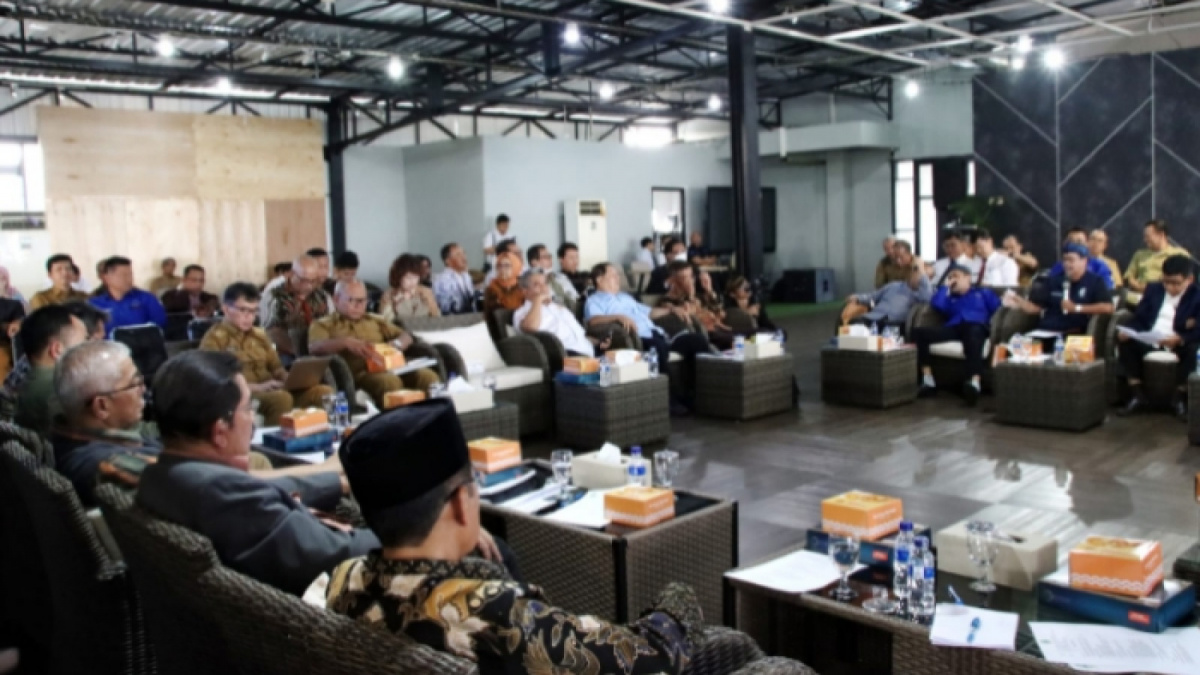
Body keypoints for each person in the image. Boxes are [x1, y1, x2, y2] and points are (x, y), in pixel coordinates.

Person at [327, 399, 700, 674]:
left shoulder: (342, 581)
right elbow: (653, 658)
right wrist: (678, 599)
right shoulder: (496, 613)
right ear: (460, 503)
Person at [134, 350, 379, 596]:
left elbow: (257, 492)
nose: (252, 417)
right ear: (220, 431)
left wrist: (337, 482)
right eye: (248, 407)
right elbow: (334, 552)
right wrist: (409, 533)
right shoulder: (221, 492)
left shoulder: (160, 474)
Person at [200, 283, 334, 426]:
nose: (249, 317)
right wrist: (258, 387)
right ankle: (277, 443)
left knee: (323, 391)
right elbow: (216, 381)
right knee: (281, 399)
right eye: (243, 310)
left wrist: (290, 380)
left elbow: (276, 367)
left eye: (253, 311)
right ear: (226, 309)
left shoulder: (260, 335)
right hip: (243, 395)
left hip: (272, 388)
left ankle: (318, 437)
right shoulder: (215, 338)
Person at [585, 263, 710, 410]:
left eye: (618, 275)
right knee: (658, 348)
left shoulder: (625, 297)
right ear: (599, 279)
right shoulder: (594, 300)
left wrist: (671, 309)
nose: (618, 278)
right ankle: (668, 399)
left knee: (697, 341)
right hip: (637, 339)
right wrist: (616, 317)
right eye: (613, 275)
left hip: (658, 334)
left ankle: (697, 394)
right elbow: (592, 321)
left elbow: (650, 312)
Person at [309, 280, 439, 408]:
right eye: (352, 300)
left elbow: (407, 335)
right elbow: (314, 346)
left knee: (427, 376)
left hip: (392, 367)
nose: (358, 305)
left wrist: (397, 344)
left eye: (363, 300)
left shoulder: (375, 320)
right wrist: (345, 342)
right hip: (361, 373)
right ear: (336, 299)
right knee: (389, 382)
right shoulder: (324, 324)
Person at [1115, 255, 1200, 419]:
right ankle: (1137, 394)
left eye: (1175, 283)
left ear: (1189, 279)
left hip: (1177, 342)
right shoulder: (1154, 289)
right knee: (1126, 343)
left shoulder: (1196, 296)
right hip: (1151, 337)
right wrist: (1129, 330)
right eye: (1166, 281)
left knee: (1192, 349)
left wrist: (1180, 338)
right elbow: (1139, 318)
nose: (1169, 287)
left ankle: (1179, 398)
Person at [914, 265, 1000, 405]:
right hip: (954, 328)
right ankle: (928, 380)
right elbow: (936, 304)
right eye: (950, 277)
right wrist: (945, 286)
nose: (953, 280)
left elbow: (998, 308)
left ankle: (974, 383)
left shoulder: (982, 292)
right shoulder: (950, 298)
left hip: (976, 326)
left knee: (973, 335)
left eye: (956, 276)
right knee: (919, 333)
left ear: (968, 278)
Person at [1005, 243, 1114, 343]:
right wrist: (1019, 302)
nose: (1067, 264)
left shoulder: (1095, 281)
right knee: (1015, 345)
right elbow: (1036, 308)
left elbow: (1108, 307)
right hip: (1045, 331)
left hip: (1073, 333)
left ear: (1084, 261)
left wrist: (1077, 308)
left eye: (1071, 260)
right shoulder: (1054, 280)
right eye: (1065, 260)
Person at [12, 305, 87, 433]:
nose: (89, 349)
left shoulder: (29, 381)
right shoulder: (60, 391)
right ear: (57, 350)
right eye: (84, 342)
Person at [514, 270, 607, 356]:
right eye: (537, 285)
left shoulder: (558, 308)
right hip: (564, 355)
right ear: (524, 291)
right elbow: (530, 327)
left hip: (588, 352)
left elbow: (579, 336)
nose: (544, 288)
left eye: (545, 283)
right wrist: (538, 300)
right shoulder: (522, 312)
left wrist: (599, 342)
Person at [263, 254, 331, 359]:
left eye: (313, 281)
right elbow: (270, 331)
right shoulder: (274, 297)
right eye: (303, 280)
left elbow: (331, 322)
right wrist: (296, 352)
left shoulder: (321, 295)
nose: (308, 286)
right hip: (285, 352)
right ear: (291, 274)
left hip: (317, 348)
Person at [89, 256, 167, 333]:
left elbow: (159, 326)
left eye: (130, 275)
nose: (129, 279)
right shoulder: (94, 305)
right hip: (108, 345)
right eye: (123, 275)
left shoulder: (147, 299)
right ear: (107, 278)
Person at [847, 263, 932, 327]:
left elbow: (926, 300)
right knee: (854, 323)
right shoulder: (894, 285)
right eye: (916, 273)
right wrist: (858, 298)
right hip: (874, 316)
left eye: (921, 276)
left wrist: (924, 278)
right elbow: (873, 296)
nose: (917, 277)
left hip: (894, 322)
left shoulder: (921, 294)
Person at [1125, 219, 1191, 293]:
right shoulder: (1139, 254)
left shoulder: (1179, 254)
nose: (1145, 240)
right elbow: (1129, 277)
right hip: (1140, 296)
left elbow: (1185, 279)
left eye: (1148, 236)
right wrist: (1139, 287)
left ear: (1161, 235)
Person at [1049, 228, 1114, 288]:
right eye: (1071, 241)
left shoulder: (1100, 266)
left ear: (1087, 244)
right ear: (1065, 243)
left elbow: (1107, 294)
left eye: (1079, 242)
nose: (1075, 245)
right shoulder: (1058, 266)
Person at [381, 254, 440, 321]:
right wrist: (395, 306)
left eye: (416, 277)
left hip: (424, 328)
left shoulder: (425, 291)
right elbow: (385, 321)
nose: (413, 281)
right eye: (408, 278)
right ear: (398, 277)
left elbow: (437, 315)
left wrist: (428, 301)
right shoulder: (389, 294)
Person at [527, 244, 579, 315]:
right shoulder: (531, 282)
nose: (550, 259)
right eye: (546, 257)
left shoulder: (560, 277)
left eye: (550, 256)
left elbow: (575, 298)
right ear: (534, 262)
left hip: (571, 314)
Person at [432, 243, 476, 315]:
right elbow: (446, 308)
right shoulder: (442, 279)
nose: (464, 257)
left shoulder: (467, 276)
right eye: (458, 255)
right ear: (447, 261)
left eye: (464, 253)